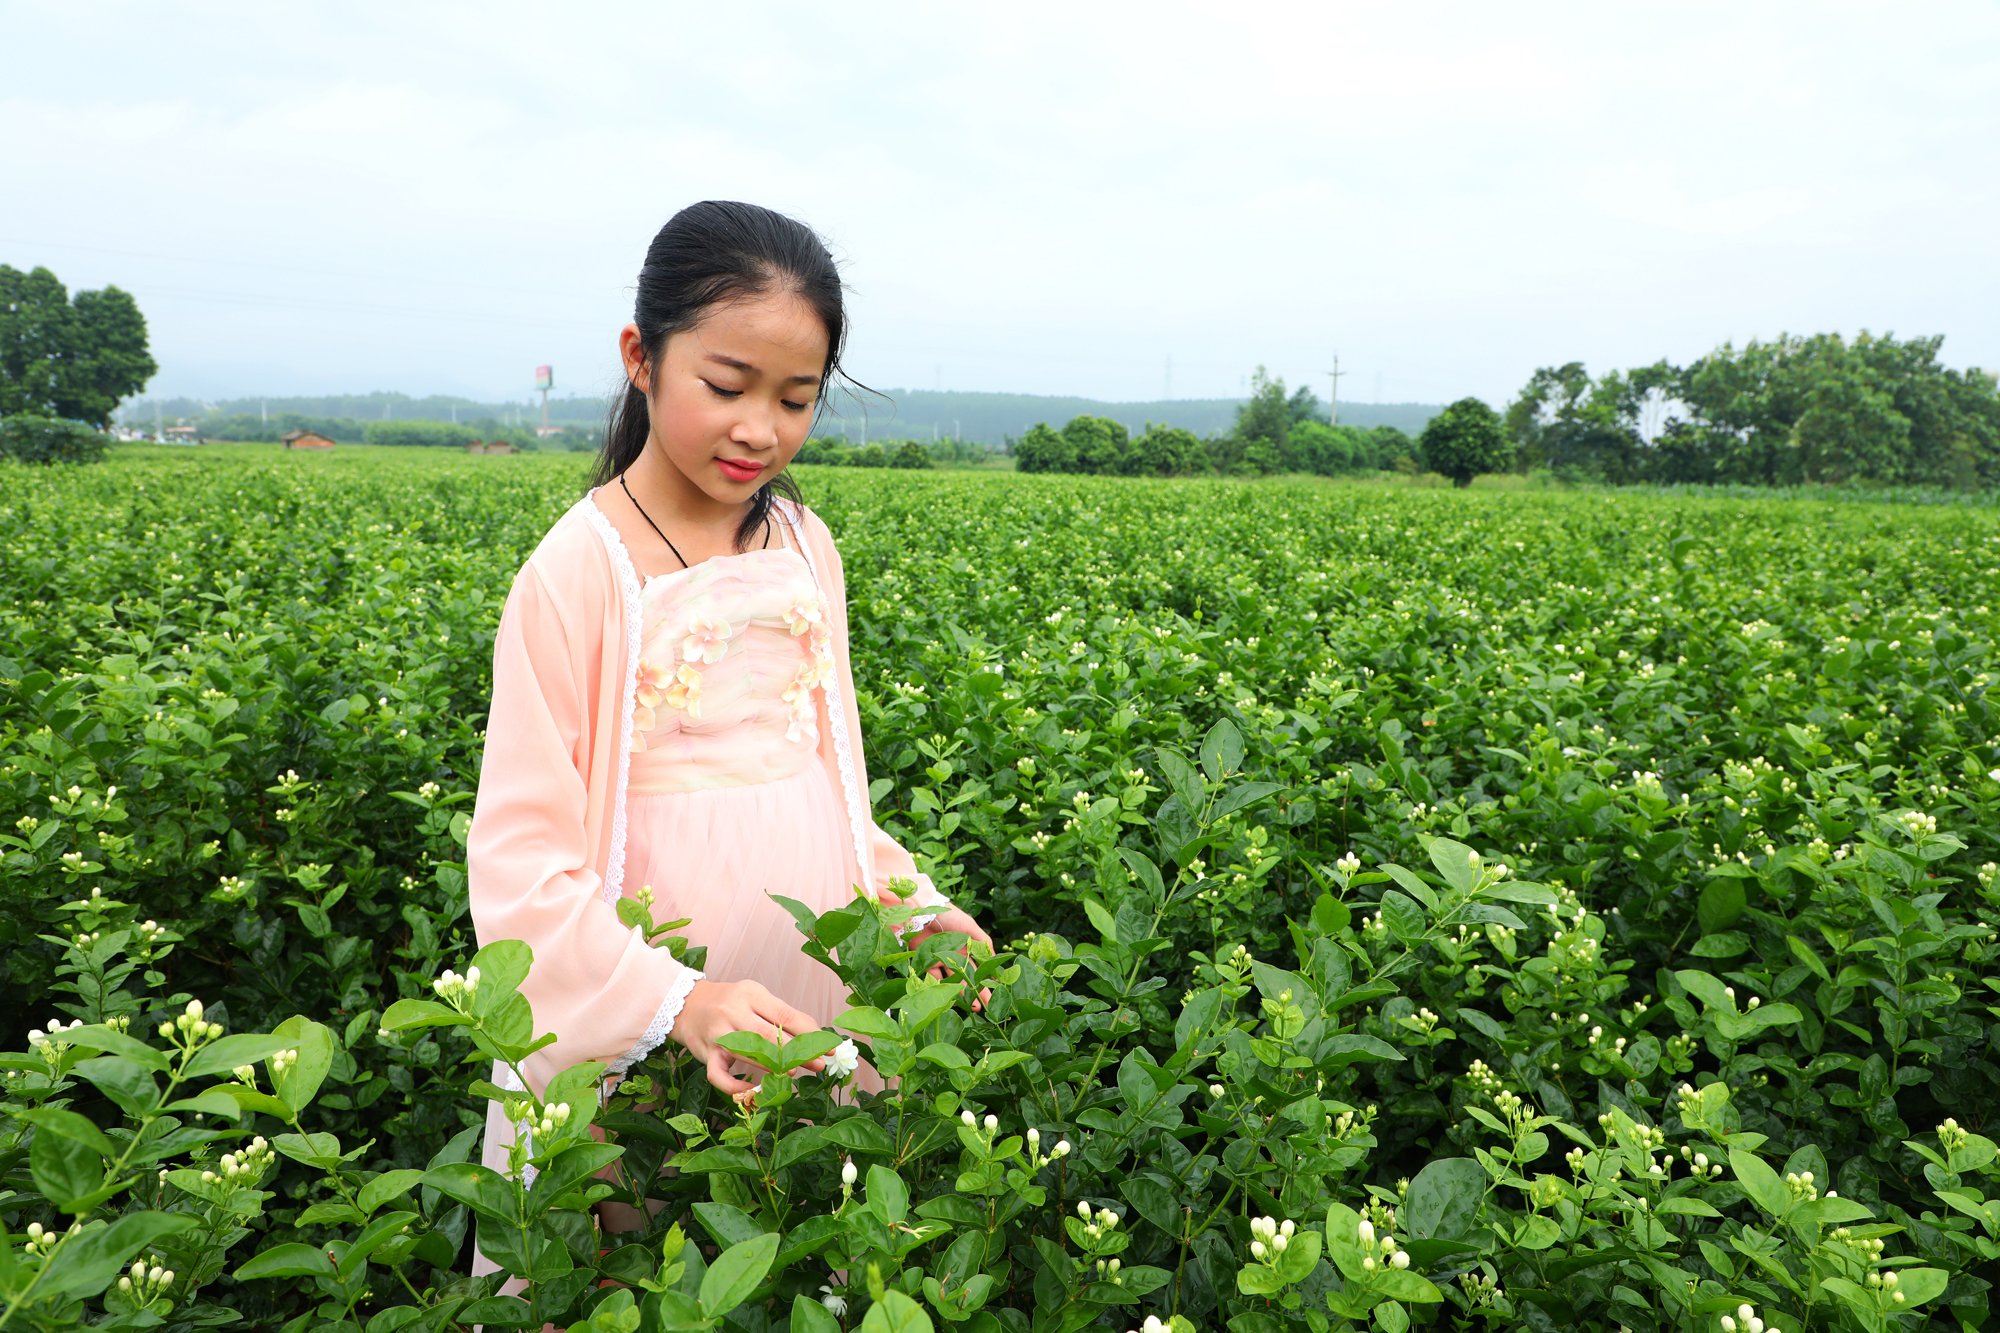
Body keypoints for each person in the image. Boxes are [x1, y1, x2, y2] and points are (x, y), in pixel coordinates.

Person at [464, 201, 992, 1273]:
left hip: (806, 971)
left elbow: (834, 784)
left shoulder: (804, 541)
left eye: (796, 398)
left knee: (791, 1239)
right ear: (640, 360)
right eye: (727, 385)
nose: (761, 428)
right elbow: (520, 861)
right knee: (649, 1250)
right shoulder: (579, 569)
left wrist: (912, 905)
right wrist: (678, 1001)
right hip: (647, 999)